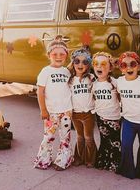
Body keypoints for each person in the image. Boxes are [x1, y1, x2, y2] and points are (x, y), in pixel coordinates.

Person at [33, 36, 73, 171]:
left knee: (65, 137)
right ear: (48, 55)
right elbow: (40, 92)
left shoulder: (67, 71)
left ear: (66, 56)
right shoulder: (45, 72)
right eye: (55, 54)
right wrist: (43, 110)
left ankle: (64, 160)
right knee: (49, 137)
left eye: (62, 54)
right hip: (51, 112)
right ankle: (44, 159)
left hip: (67, 111)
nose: (58, 57)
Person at [116, 51, 140, 180]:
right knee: (126, 145)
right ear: (121, 69)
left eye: (132, 64)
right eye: (124, 65)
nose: (129, 68)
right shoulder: (119, 82)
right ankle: (128, 171)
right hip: (128, 120)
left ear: (138, 66)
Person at [92, 52, 121, 173]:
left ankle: (115, 163)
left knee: (114, 141)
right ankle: (103, 160)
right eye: (96, 64)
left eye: (103, 64)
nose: (99, 67)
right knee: (104, 140)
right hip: (100, 117)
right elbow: (93, 98)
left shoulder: (114, 83)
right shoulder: (94, 84)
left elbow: (121, 98)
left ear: (110, 68)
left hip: (114, 117)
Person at [68, 48, 97, 168]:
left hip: (88, 113)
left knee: (88, 137)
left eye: (85, 62)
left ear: (88, 65)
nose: (80, 64)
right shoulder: (69, 80)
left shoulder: (91, 78)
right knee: (79, 137)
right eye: (77, 61)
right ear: (73, 63)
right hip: (75, 113)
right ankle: (79, 158)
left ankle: (91, 159)